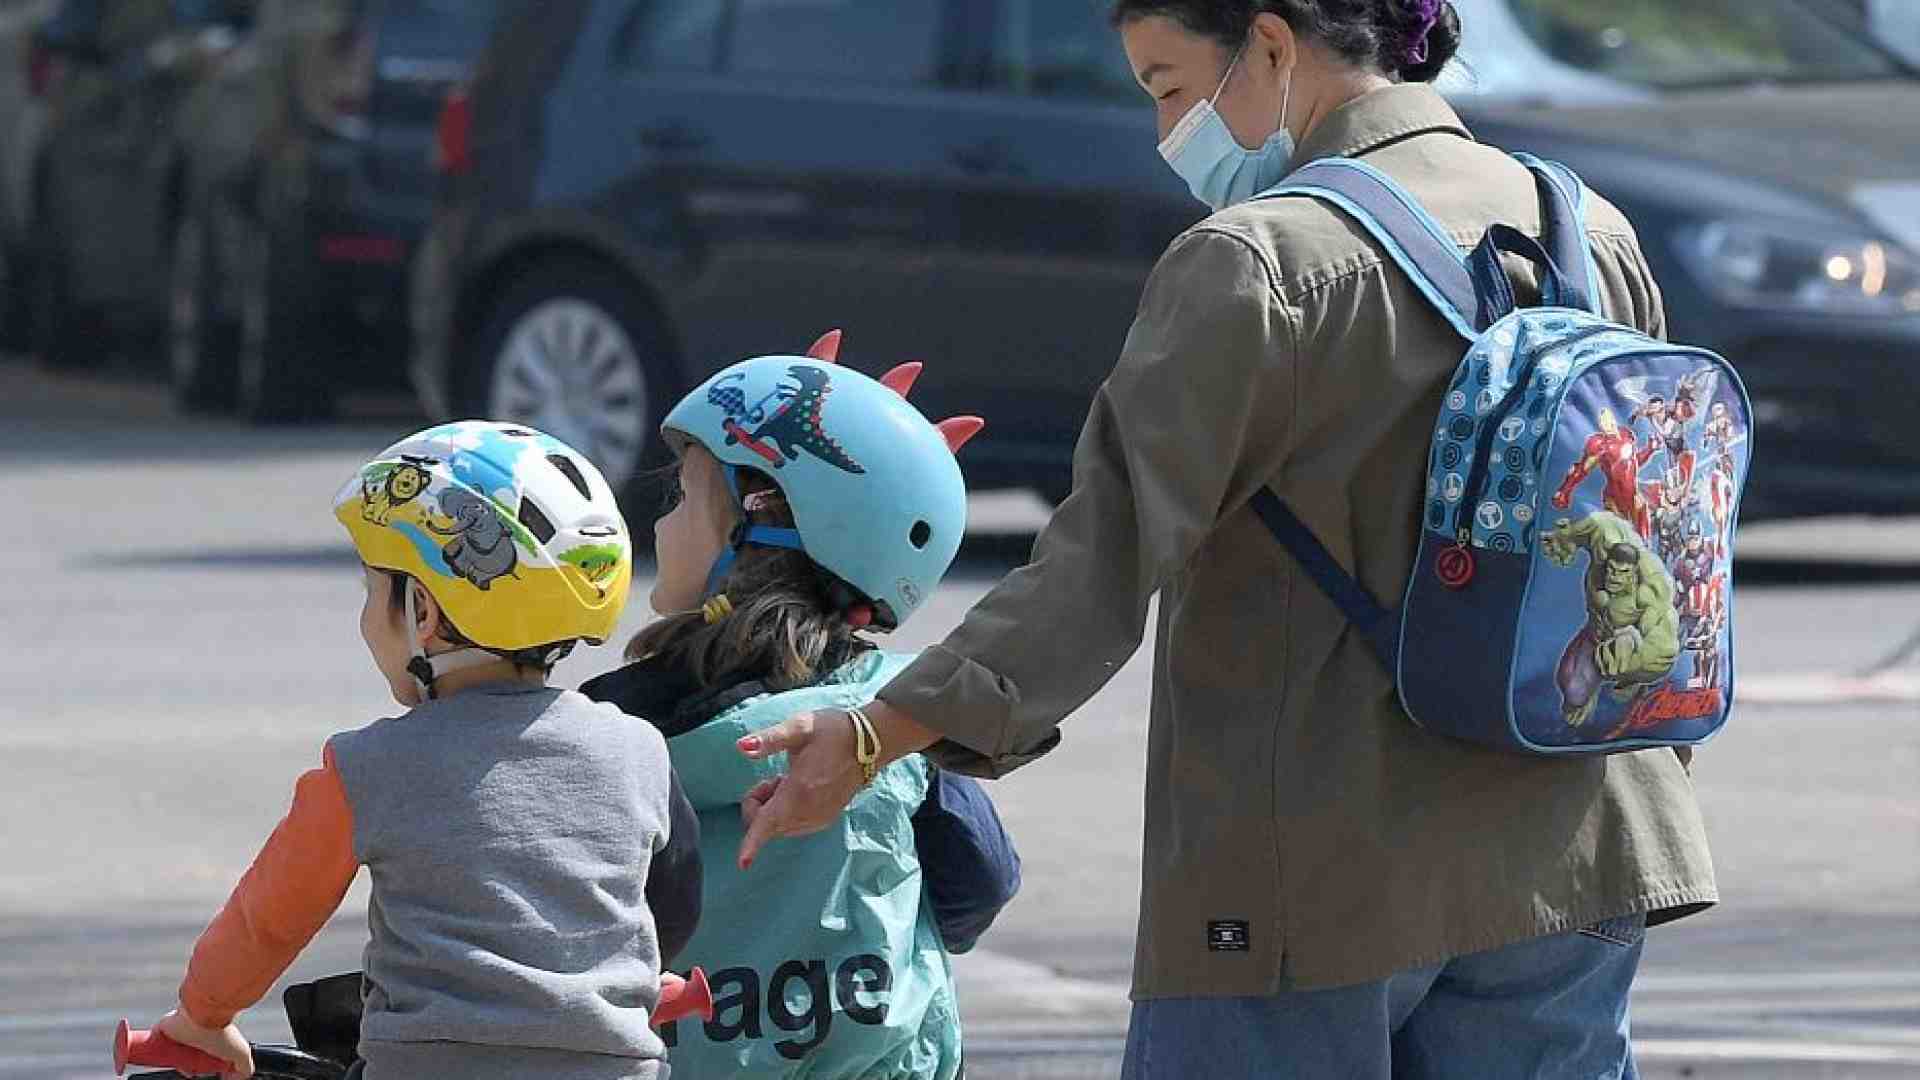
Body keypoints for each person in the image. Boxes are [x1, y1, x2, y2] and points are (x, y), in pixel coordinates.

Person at [731, 4, 1716, 1078]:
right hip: (1582, 833)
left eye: (1167, 85)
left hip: (1314, 864)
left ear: (1274, 44)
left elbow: (1101, 558)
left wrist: (878, 730)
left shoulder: (1254, 261)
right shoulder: (1588, 227)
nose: (1168, 131)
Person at [147, 421, 702, 1080]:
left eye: (372, 591)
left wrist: (203, 1015)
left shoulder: (364, 769)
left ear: (424, 614)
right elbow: (674, 900)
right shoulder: (637, 750)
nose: (365, 616)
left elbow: (265, 921)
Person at [581, 335, 1020, 1078]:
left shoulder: (613, 725)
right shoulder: (896, 719)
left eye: (685, 498)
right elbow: (981, 881)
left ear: (759, 523)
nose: (659, 524)